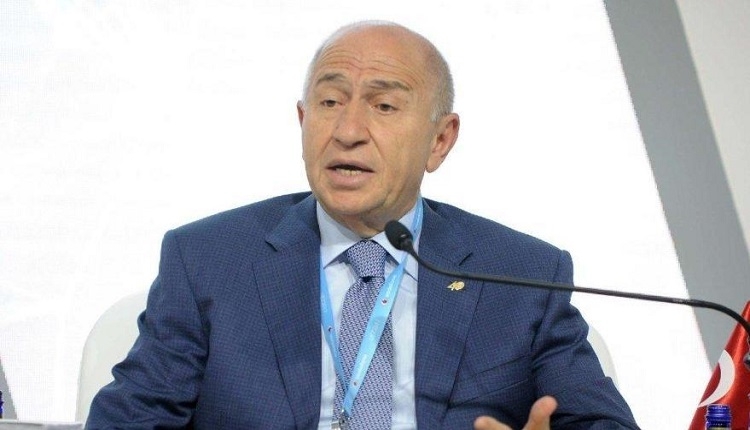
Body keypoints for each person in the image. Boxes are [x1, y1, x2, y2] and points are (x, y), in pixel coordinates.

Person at [86, 21, 639, 429]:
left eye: (384, 106)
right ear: (303, 120)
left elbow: (603, 423)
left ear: (440, 140)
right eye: (329, 102)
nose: (348, 130)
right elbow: (128, 420)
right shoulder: (208, 259)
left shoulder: (521, 275)